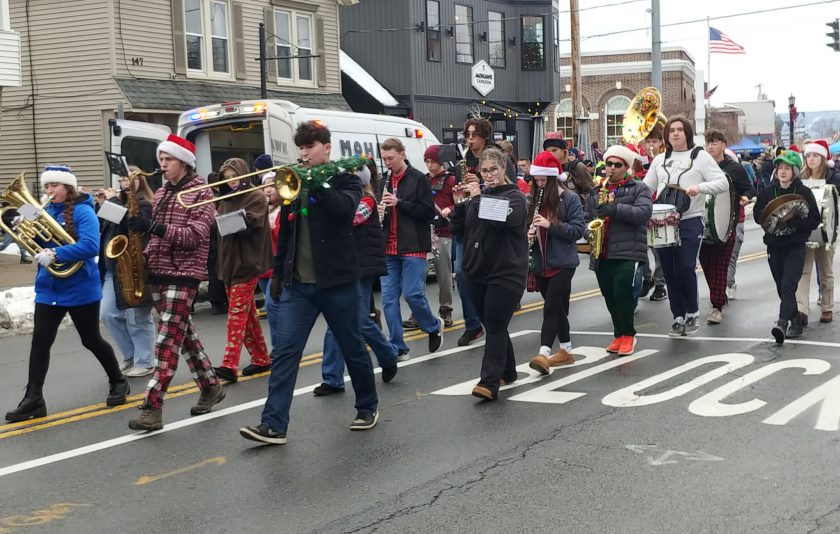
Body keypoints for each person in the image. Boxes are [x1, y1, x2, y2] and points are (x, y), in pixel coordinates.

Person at [239, 121, 379, 445]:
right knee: (285, 352)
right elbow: (286, 232)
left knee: (352, 346)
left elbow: (344, 211)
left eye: (309, 148)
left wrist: (316, 185)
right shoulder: (294, 184)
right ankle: (273, 424)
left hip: (337, 282)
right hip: (297, 286)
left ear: (326, 149)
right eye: (300, 148)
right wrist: (277, 274)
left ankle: (367, 406)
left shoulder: (347, 180)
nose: (303, 154)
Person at [5, 166, 129, 422]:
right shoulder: (42, 208)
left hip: (80, 287)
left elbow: (90, 245)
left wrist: (57, 253)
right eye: (46, 186)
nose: (49, 191)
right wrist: (18, 226)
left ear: (68, 187)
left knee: (91, 339)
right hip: (49, 287)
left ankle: (118, 381)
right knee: (40, 342)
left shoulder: (84, 210)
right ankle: (34, 398)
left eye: (55, 186)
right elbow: (29, 239)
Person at [127, 134, 225, 431]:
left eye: (168, 159)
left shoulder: (202, 192)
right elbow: (157, 237)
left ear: (184, 162)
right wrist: (139, 254)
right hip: (158, 271)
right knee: (184, 336)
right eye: (161, 159)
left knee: (167, 341)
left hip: (185, 273)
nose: (163, 165)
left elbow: (195, 236)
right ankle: (211, 386)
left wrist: (154, 227)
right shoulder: (160, 193)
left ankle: (152, 406)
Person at [450, 148, 527, 401]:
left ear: (504, 169)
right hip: (477, 270)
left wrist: (476, 199)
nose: (490, 175)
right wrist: (460, 205)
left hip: (506, 272)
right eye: (484, 171)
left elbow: (501, 220)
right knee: (494, 324)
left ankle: (489, 382)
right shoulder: (478, 197)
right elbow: (460, 230)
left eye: (494, 170)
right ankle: (509, 371)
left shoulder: (515, 197)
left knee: (494, 324)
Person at [316, 160, 399, 396]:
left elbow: (348, 222)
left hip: (362, 265)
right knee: (336, 321)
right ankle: (332, 378)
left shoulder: (366, 200)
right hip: (344, 264)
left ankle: (388, 354)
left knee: (360, 320)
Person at [643, 116, 728, 336]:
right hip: (662, 220)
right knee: (669, 271)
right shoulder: (659, 159)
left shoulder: (701, 157)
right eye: (672, 130)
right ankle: (677, 316)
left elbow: (722, 182)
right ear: (667, 135)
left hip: (690, 219)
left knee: (684, 267)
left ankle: (692, 313)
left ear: (687, 133)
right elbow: (646, 187)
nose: (676, 134)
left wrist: (699, 187)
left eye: (680, 130)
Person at [379, 137, 444, 360]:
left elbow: (427, 212)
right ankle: (398, 346)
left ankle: (433, 326)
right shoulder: (383, 180)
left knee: (412, 294)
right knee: (388, 299)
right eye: (384, 158)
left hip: (413, 244)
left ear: (402, 154)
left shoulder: (418, 179)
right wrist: (381, 212)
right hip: (388, 246)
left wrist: (400, 204)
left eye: (391, 158)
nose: (387, 163)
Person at [211, 158, 273, 383]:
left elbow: (253, 224)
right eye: (226, 178)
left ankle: (229, 364)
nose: (231, 181)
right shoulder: (224, 199)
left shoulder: (255, 196)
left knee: (236, 315)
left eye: (234, 176)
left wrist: (230, 220)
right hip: (229, 263)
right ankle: (261, 357)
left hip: (247, 263)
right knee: (246, 316)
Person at [586, 146, 652, 356]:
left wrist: (614, 210)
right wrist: (589, 230)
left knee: (622, 292)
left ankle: (629, 335)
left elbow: (643, 213)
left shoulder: (639, 188)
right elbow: (586, 218)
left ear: (626, 167)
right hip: (602, 252)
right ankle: (618, 334)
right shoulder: (597, 191)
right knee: (609, 295)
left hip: (628, 251)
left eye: (617, 165)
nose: (611, 169)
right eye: (609, 164)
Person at [525, 151, 586, 375]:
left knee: (550, 307)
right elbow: (526, 227)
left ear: (553, 179)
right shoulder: (533, 199)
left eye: (543, 181)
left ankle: (543, 352)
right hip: (541, 262)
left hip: (563, 262)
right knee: (558, 308)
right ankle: (566, 350)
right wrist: (529, 233)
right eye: (536, 181)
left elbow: (578, 230)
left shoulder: (569, 199)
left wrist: (551, 225)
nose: (539, 185)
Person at [753, 150, 820, 344]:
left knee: (788, 285)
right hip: (774, 246)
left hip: (795, 246)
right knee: (781, 287)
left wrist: (797, 223)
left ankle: (782, 323)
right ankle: (796, 320)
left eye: (787, 168)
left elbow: (814, 219)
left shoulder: (803, 192)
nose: (782, 172)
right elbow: (758, 214)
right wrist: (771, 219)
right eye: (780, 168)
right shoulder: (768, 191)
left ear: (795, 171)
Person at [98, 167, 156, 378]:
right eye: (122, 179)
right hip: (114, 268)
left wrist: (111, 203)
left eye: (130, 179)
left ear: (140, 181)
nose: (125, 183)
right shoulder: (118, 203)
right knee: (108, 314)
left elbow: (131, 224)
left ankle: (146, 360)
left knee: (136, 317)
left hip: (135, 267)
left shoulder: (145, 203)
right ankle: (130, 355)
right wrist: (101, 204)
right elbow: (103, 228)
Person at [699, 130, 755, 325]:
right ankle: (718, 293)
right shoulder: (701, 166)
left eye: (714, 142)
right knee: (706, 261)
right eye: (708, 143)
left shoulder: (734, 168)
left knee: (722, 264)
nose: (711, 146)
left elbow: (749, 188)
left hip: (728, 223)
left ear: (723, 144)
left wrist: (746, 197)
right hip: (704, 224)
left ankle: (716, 306)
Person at [789, 140, 840, 335]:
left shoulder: (833, 177)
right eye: (808, 155)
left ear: (822, 158)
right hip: (806, 229)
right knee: (804, 270)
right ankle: (802, 310)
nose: (811, 159)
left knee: (825, 269)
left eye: (815, 156)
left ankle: (827, 306)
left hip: (827, 229)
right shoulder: (800, 179)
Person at [255, 155, 283, 350]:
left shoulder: (282, 209)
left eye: (272, 185)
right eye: (265, 186)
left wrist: (271, 228)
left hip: (275, 264)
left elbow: (281, 235)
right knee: (273, 307)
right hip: (262, 265)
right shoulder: (262, 210)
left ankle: (278, 346)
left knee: (274, 307)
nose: (268, 189)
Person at [641, 123, 667, 301]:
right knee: (641, 249)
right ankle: (646, 278)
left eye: (655, 141)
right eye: (648, 141)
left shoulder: (665, 160)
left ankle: (660, 284)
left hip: (658, 209)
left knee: (658, 250)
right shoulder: (638, 160)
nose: (651, 145)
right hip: (642, 211)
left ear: (661, 143)